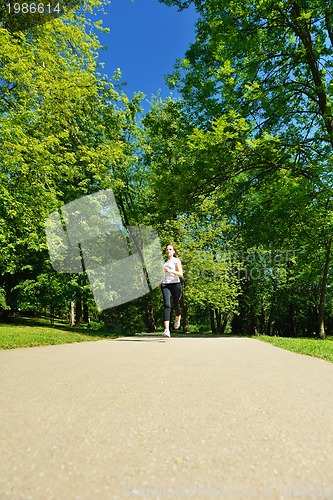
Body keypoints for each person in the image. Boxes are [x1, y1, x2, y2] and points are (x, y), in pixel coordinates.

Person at [161, 244, 183, 337]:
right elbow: (162, 274)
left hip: (175, 284)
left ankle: (178, 317)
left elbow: (180, 274)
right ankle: (166, 330)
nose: (168, 251)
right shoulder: (163, 262)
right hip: (165, 284)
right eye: (167, 249)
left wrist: (171, 271)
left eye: (170, 249)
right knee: (167, 305)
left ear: (174, 251)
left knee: (175, 305)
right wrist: (159, 282)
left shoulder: (176, 260)